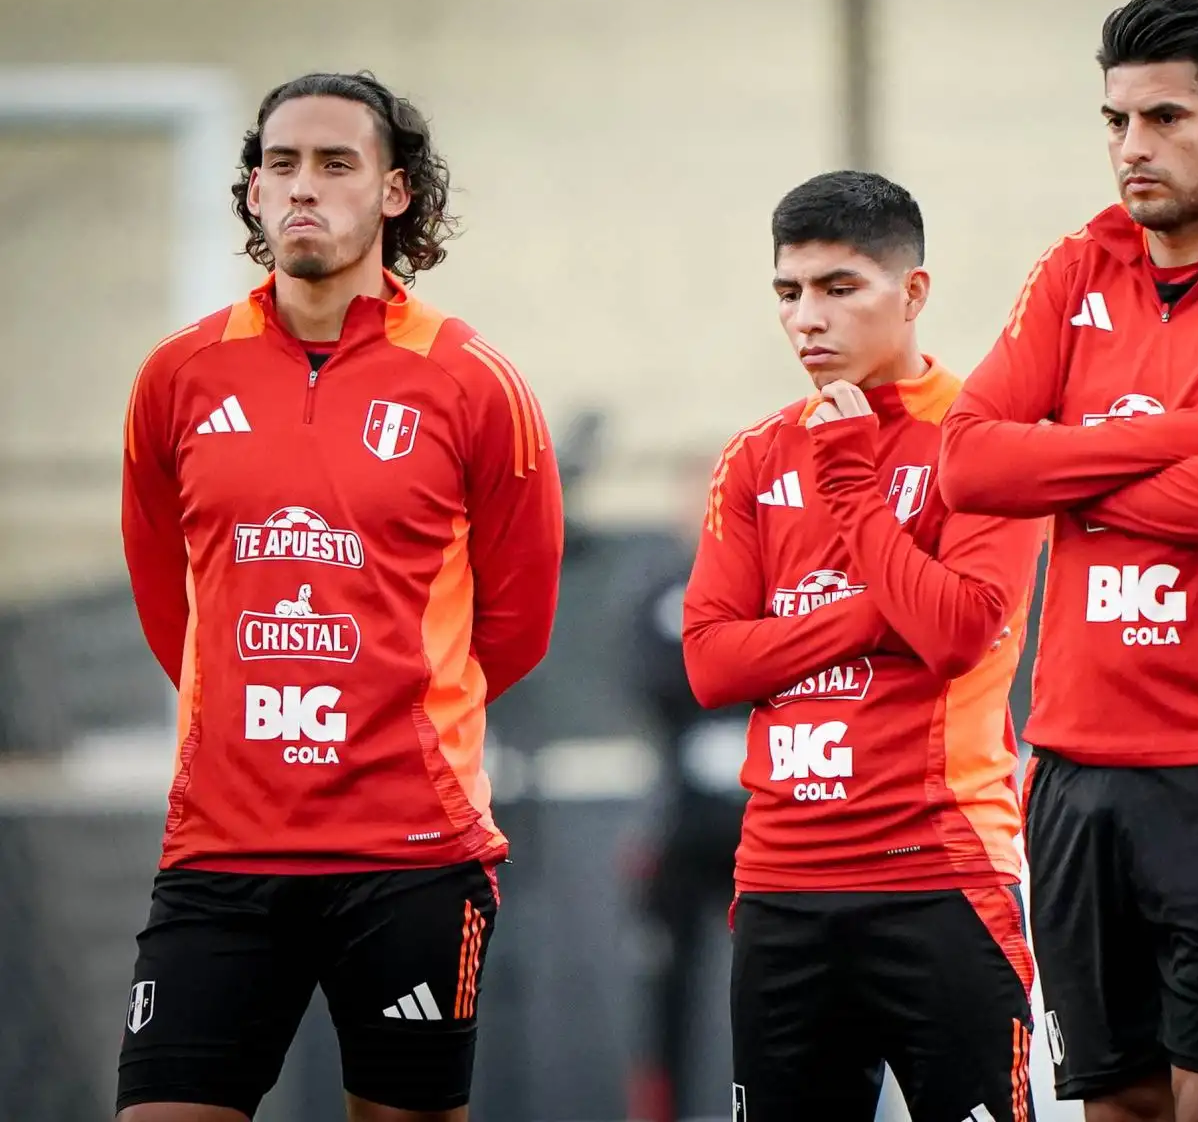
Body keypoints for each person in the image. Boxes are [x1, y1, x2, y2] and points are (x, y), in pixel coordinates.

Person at [938, 0, 1198, 1122]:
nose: (1135, 148)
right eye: (1117, 121)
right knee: (1115, 1106)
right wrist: (1173, 440)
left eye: (1167, 117)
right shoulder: (1077, 266)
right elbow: (971, 462)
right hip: (1074, 771)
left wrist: (1071, 462)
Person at [116, 71, 564, 1122]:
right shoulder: (178, 377)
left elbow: (519, 623)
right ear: (253, 193)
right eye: (281, 164)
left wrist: (389, 711)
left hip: (411, 854)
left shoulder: (471, 380)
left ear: (396, 192)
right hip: (221, 852)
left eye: (334, 163)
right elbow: (166, 603)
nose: (302, 188)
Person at [682, 170, 1042, 1122]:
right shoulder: (757, 455)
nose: (809, 319)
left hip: (941, 874)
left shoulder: (985, 439)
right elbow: (713, 664)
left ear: (912, 293)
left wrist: (850, 495)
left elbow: (961, 632)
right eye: (789, 293)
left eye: (841, 288)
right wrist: (882, 614)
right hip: (782, 885)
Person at [624, 452, 751, 1122]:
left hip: (763, 829)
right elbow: (659, 681)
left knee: (770, 990)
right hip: (679, 826)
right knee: (666, 987)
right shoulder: (656, 587)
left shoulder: (768, 580)